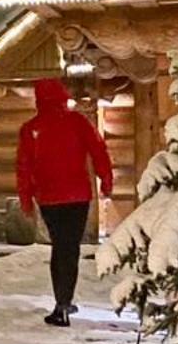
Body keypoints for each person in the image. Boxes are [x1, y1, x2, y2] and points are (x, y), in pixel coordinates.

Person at [16, 77, 113, 326]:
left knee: (60, 247)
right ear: (62, 96)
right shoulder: (77, 122)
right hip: (78, 196)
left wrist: (26, 199)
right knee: (69, 248)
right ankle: (63, 303)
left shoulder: (30, 129)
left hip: (49, 198)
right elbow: (98, 149)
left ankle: (63, 303)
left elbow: (23, 168)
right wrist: (106, 179)